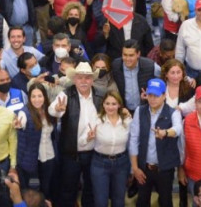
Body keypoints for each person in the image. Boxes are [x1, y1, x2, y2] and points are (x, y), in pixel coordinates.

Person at [48, 61, 102, 207]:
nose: (84, 81)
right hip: (71, 154)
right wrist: (58, 109)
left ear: (92, 79)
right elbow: (52, 110)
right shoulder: (65, 94)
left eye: (87, 78)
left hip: (93, 153)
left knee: (90, 189)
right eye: (80, 77)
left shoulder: (100, 95)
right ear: (74, 79)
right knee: (68, 190)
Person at [129, 78, 181, 207]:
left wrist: (166, 133)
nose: (152, 99)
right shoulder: (140, 111)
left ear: (164, 95)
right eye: (150, 95)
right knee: (142, 201)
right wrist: (135, 168)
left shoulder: (173, 112)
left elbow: (178, 129)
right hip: (144, 168)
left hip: (164, 169)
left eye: (156, 96)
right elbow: (134, 139)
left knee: (165, 201)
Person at [88, 91, 131, 207]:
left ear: (119, 105)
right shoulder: (96, 120)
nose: (110, 107)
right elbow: (85, 140)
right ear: (103, 104)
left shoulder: (127, 121)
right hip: (99, 163)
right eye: (107, 103)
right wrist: (88, 138)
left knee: (119, 200)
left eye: (114, 103)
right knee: (100, 201)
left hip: (122, 163)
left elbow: (132, 143)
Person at [14, 82, 57, 199]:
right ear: (29, 98)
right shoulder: (24, 112)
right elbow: (21, 122)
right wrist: (18, 125)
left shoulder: (49, 111)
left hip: (49, 156)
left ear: (44, 96)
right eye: (33, 96)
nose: (37, 99)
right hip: (31, 161)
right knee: (33, 192)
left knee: (46, 188)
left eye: (40, 96)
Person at [111, 39, 159, 113]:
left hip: (145, 110)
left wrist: (152, 93)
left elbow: (163, 82)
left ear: (138, 54)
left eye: (131, 55)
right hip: (123, 110)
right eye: (125, 55)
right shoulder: (115, 66)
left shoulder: (150, 66)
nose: (127, 59)